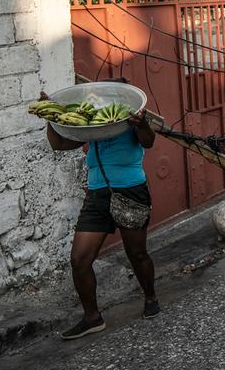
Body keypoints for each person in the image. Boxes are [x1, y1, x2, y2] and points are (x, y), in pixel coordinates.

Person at [42, 82, 159, 340]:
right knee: (79, 259)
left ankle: (150, 297)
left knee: (137, 253)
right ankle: (92, 317)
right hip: (97, 194)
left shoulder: (130, 120)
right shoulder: (93, 126)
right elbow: (60, 144)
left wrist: (141, 124)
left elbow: (148, 142)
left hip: (130, 190)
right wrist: (50, 118)